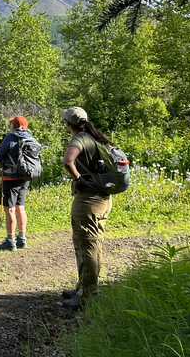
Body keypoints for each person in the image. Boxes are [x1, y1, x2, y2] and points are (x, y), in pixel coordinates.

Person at [60, 106, 113, 310]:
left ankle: (87, 295)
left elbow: (68, 161)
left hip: (89, 200)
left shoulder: (80, 138)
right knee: (92, 245)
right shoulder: (96, 137)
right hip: (102, 198)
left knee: (86, 246)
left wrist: (78, 179)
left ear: (68, 124)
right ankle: (84, 286)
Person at [0, 116, 32, 251]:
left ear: (13, 126)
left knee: (9, 209)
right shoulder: (30, 138)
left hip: (10, 177)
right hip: (25, 177)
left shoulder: (10, 138)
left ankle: (10, 240)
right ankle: (22, 238)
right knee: (20, 207)